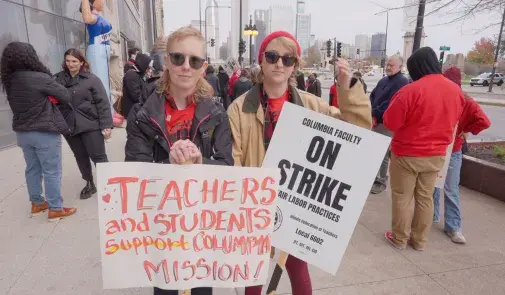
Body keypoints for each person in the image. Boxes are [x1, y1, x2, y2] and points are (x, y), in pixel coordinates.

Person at [227, 31, 371, 295]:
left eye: (287, 58)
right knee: (254, 272)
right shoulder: (239, 108)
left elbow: (357, 131)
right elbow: (234, 158)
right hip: (256, 204)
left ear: (295, 64)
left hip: (297, 205)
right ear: (262, 60)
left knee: (297, 268)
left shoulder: (312, 105)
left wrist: (347, 88)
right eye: (272, 57)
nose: (279, 64)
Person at [124, 26, 233, 295]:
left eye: (194, 60)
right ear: (166, 62)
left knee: (201, 289)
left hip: (202, 225)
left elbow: (227, 167)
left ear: (203, 67)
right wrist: (169, 169)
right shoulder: (142, 115)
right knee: (165, 289)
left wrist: (198, 164)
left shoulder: (217, 114)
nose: (186, 66)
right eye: (178, 58)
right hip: (161, 225)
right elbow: (134, 172)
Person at [383, 47, 465, 251]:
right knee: (425, 198)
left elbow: (391, 122)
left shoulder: (410, 91)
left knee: (402, 198)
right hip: (437, 154)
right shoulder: (456, 91)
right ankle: (419, 241)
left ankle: (400, 238)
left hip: (407, 154)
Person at [1, 42, 77, 220]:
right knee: (52, 170)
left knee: (32, 168)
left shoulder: (9, 79)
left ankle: (36, 203)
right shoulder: (38, 77)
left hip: (23, 133)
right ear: (30, 57)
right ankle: (56, 208)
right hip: (44, 131)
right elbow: (65, 96)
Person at [433, 66, 491, 244]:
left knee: (450, 188)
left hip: (453, 149)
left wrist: (465, 130)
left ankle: (453, 226)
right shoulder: (441, 98)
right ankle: (432, 216)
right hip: (438, 147)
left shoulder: (468, 102)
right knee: (434, 185)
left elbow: (484, 122)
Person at [54, 48, 113, 200]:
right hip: (70, 125)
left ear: (81, 62)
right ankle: (89, 183)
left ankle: (109, 183)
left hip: (90, 124)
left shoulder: (91, 79)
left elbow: (103, 103)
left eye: (74, 61)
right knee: (80, 156)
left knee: (98, 156)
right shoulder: (58, 79)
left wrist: (106, 124)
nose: (71, 64)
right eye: (68, 61)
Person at [369, 55, 409, 195]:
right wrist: (372, 112)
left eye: (391, 65)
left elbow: (392, 104)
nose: (388, 67)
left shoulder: (402, 82)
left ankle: (381, 180)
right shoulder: (383, 80)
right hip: (376, 120)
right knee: (375, 150)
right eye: (387, 64)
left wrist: (375, 112)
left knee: (383, 152)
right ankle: (374, 178)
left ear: (400, 67)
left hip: (387, 122)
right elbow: (373, 96)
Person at [80, 0, 113, 115]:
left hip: (104, 50)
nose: (103, 2)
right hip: (96, 50)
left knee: (106, 81)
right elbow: (87, 18)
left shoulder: (99, 16)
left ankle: (109, 110)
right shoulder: (92, 17)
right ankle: (104, 113)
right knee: (100, 81)